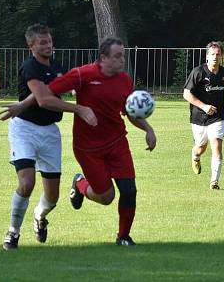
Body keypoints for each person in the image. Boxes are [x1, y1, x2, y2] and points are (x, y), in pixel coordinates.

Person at [48, 37, 157, 247]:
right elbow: (48, 91)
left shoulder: (125, 80)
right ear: (103, 58)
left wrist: (148, 129)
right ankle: (80, 184)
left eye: (123, 56)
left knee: (129, 190)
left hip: (117, 142)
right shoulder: (84, 74)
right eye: (117, 56)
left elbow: (130, 112)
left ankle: (123, 236)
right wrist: (77, 108)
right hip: (88, 148)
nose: (122, 60)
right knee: (107, 197)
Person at [0, 25, 97, 250]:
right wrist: (80, 109)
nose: (48, 45)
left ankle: (39, 216)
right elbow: (43, 99)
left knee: (52, 197)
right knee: (27, 183)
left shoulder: (57, 66)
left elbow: (71, 85)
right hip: (24, 129)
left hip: (50, 132)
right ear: (31, 46)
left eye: (49, 41)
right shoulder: (29, 66)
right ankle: (12, 232)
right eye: (42, 42)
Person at [183, 41, 224, 190]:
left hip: (218, 116)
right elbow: (186, 94)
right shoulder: (198, 72)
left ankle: (214, 181)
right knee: (201, 147)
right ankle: (195, 156)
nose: (215, 57)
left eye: (218, 54)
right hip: (198, 117)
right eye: (212, 54)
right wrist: (204, 106)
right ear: (207, 56)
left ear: (221, 56)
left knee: (217, 145)